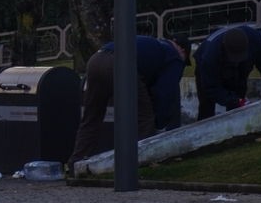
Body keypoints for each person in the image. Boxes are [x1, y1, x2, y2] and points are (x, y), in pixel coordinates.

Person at [68, 34, 188, 166]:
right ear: (182, 50)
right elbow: (164, 93)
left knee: (91, 118)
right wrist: (159, 123)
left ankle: (76, 162)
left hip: (96, 60)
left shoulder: (153, 45)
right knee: (145, 119)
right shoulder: (174, 56)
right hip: (120, 64)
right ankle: (143, 162)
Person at [193, 24, 261, 120]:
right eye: (234, 57)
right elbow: (211, 87)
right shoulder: (209, 56)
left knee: (239, 95)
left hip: (241, 68)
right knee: (207, 105)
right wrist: (233, 100)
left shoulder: (256, 39)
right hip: (208, 69)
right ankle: (205, 131)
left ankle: (238, 127)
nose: (236, 61)